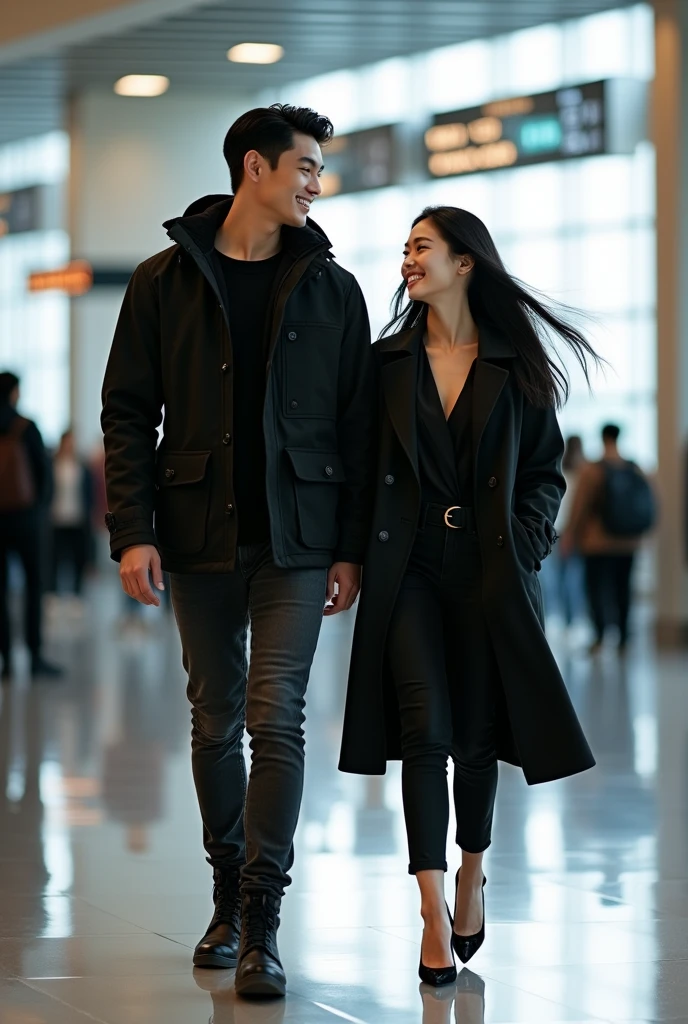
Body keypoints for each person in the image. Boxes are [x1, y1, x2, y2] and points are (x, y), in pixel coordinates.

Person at [101, 104, 374, 998]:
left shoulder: (333, 288)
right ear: (253, 167)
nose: (315, 183)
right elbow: (128, 413)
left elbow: (356, 424)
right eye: (305, 166)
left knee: (276, 716)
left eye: (320, 171)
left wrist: (348, 546)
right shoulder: (162, 281)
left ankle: (262, 916)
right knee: (214, 716)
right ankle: (224, 893)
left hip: (298, 539)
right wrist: (132, 530)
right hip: (196, 533)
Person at [338, 207, 597, 986]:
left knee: (477, 739)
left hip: (489, 568)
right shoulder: (386, 363)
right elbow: (358, 470)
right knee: (426, 731)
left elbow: (547, 473)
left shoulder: (516, 365)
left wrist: (523, 543)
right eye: (406, 248)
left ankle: (470, 873)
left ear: (465, 263)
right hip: (407, 566)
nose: (407, 259)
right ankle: (427, 909)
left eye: (422, 247)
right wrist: (350, 558)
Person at [563, 423, 655, 654]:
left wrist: (570, 536)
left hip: (597, 543)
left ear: (603, 438)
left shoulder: (592, 470)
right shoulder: (634, 468)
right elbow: (649, 503)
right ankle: (623, 638)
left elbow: (579, 507)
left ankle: (600, 636)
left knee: (597, 589)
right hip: (628, 542)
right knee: (623, 589)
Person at [0, 371, 62, 680]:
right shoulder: (25, 427)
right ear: (14, 393)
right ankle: (35, 657)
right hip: (26, 521)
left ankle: (6, 661)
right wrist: (40, 512)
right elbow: (44, 475)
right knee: (34, 586)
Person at [546, 434, 587, 628]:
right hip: (576, 533)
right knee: (574, 578)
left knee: (558, 578)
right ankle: (571, 619)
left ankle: (563, 617)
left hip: (557, 530)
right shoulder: (585, 473)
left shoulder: (559, 471)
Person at [50, 429, 94, 598]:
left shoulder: (82, 466)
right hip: (57, 520)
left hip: (78, 520)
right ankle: (53, 596)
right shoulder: (53, 464)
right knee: (55, 561)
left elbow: (89, 494)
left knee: (78, 561)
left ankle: (76, 596)